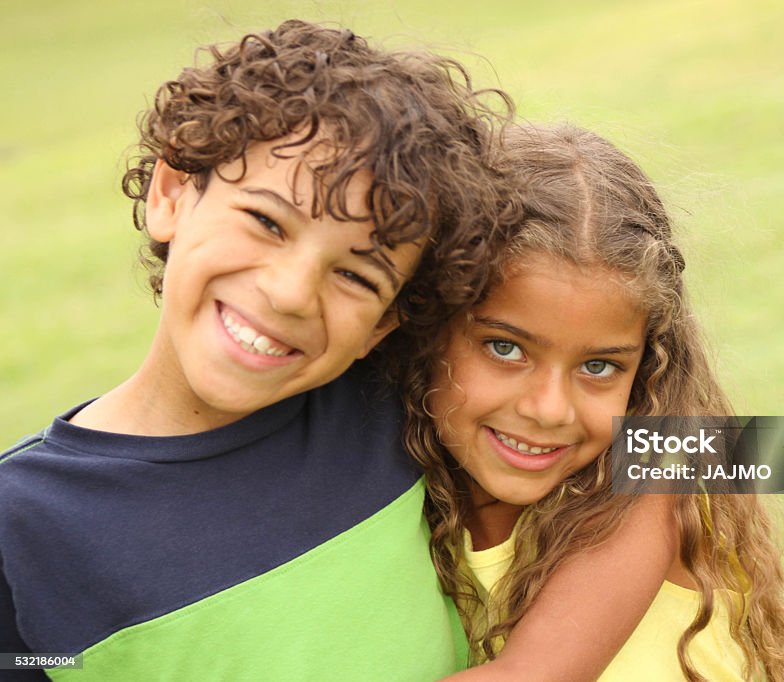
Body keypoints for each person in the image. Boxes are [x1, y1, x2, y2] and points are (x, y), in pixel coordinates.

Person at [0, 20, 518, 681]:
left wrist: (542, 664)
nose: (292, 293)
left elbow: (678, 457)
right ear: (173, 193)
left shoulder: (398, 410)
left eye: (357, 275)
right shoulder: (21, 528)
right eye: (267, 221)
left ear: (385, 323)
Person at [396, 125, 784, 680]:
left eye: (598, 366)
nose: (549, 409)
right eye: (505, 348)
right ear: (429, 326)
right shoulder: (407, 484)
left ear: (645, 367)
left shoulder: (653, 476)